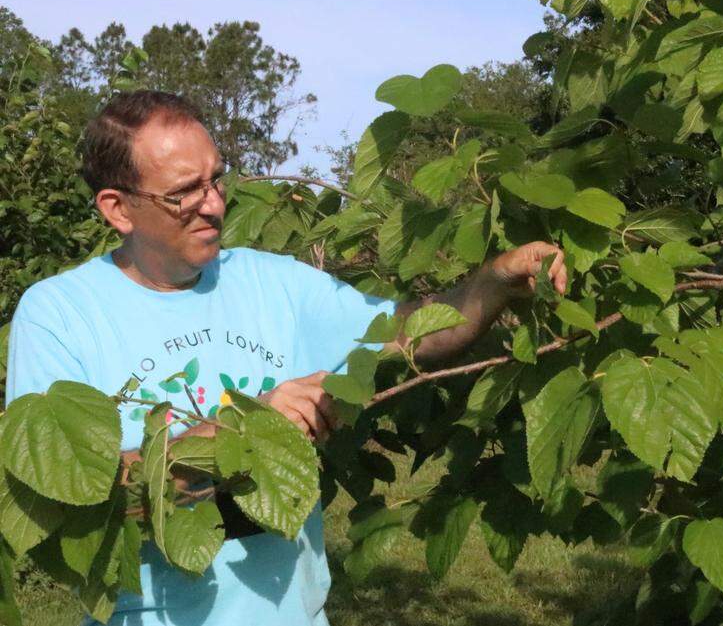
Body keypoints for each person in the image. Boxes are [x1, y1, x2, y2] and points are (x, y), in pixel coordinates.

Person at [3, 90, 567, 625]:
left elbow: (408, 336)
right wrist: (246, 431)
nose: (214, 206)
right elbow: (72, 497)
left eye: (217, 181)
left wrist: (493, 282)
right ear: (118, 208)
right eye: (184, 193)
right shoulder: (60, 313)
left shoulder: (272, 282)